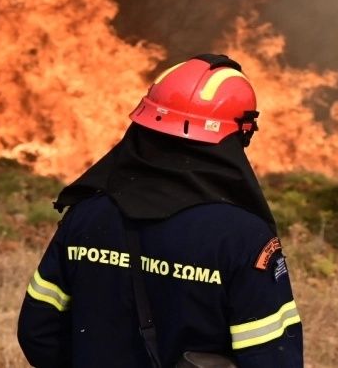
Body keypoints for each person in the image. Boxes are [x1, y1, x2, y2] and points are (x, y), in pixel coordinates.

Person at [17, 54, 303, 368]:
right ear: (237, 135)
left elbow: (38, 331)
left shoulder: (87, 214)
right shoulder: (243, 237)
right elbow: (271, 357)